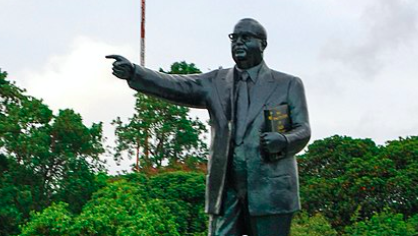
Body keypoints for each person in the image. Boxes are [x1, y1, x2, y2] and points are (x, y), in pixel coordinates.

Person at [107, 18, 310, 236]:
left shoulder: (288, 84)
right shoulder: (216, 82)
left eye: (245, 38)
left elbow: (303, 130)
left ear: (263, 44)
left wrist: (284, 141)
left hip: (271, 190)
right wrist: (135, 73)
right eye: (234, 38)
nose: (238, 43)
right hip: (226, 191)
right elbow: (176, 85)